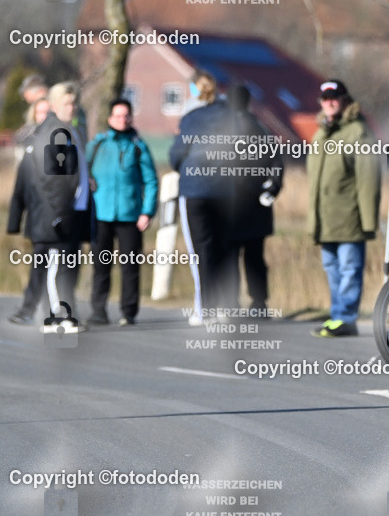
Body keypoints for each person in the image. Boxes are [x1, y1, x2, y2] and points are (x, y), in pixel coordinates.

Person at [7, 83, 92, 327]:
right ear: (54, 105)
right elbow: (50, 180)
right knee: (54, 268)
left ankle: (63, 314)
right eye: (67, 103)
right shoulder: (55, 132)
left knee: (66, 267)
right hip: (56, 214)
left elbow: (72, 171)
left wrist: (87, 183)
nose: (72, 107)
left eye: (74, 102)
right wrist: (57, 213)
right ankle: (58, 316)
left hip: (72, 212)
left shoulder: (70, 129)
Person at [307, 80, 381, 338]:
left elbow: (368, 178)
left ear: (345, 99)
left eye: (334, 97)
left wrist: (369, 221)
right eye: (325, 98)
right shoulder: (320, 133)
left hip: (350, 217)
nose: (329, 102)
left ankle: (346, 318)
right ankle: (337, 316)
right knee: (332, 268)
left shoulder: (358, 132)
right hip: (325, 218)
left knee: (350, 269)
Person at [170, 72, 237, 321]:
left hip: (196, 189)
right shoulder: (231, 116)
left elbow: (177, 154)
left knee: (200, 250)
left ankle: (204, 308)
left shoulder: (191, 118)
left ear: (195, 90)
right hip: (225, 191)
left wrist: (184, 167)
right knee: (222, 248)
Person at [87, 99, 158, 326]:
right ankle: (98, 310)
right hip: (101, 215)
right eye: (118, 115)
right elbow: (80, 171)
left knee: (130, 267)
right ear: (110, 119)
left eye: (126, 115)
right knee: (100, 266)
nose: (122, 119)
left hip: (130, 216)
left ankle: (128, 312)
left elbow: (151, 181)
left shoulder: (139, 147)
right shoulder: (98, 145)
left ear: (131, 118)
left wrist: (147, 212)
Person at [226, 85, 282, 313]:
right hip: (257, 203)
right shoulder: (261, 129)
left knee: (230, 256)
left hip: (230, 204)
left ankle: (230, 303)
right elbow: (276, 164)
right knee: (255, 257)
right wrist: (271, 189)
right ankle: (259, 303)